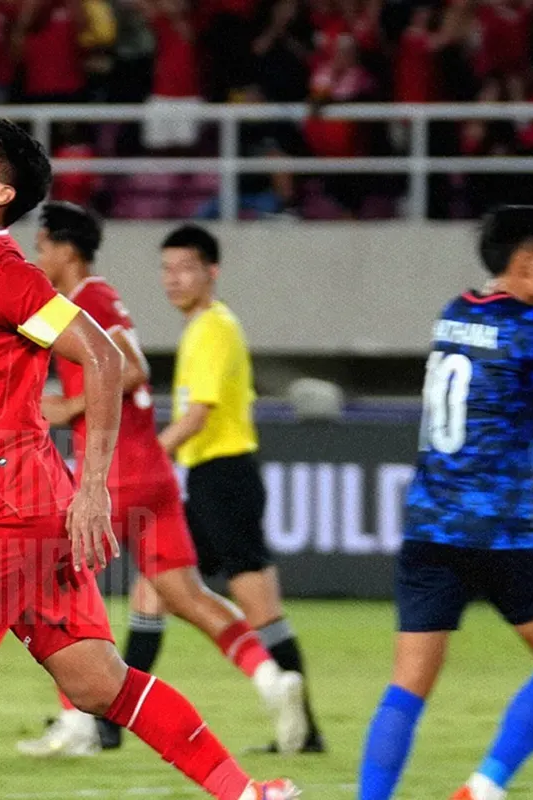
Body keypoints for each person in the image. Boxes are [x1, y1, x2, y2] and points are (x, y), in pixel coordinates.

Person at [0, 2, 299, 799]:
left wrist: (97, 483)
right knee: (100, 683)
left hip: (9, 500)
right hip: (33, 499)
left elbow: (103, 357)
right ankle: (250, 794)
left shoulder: (3, 274)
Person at [16, 201, 307, 758]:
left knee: (54, 584)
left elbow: (130, 369)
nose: (38, 256)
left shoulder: (88, 298)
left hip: (118, 470)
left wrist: (71, 406)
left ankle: (77, 722)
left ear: (66, 250)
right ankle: (270, 678)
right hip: (153, 471)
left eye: (43, 246)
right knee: (186, 595)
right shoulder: (97, 299)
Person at [357, 205, 533, 800]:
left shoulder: (454, 314)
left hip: (428, 526)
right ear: (525, 261)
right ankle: (485, 786)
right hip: (500, 533)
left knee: (407, 687)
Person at [158, 224, 326, 754]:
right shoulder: (204, 327)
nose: (174, 279)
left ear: (212, 271)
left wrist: (149, 454)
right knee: (156, 579)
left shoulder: (213, 327)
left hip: (223, 477)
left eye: (185, 268)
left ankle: (307, 730)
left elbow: (199, 415)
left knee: (257, 605)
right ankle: (104, 723)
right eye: (166, 269)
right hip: (214, 478)